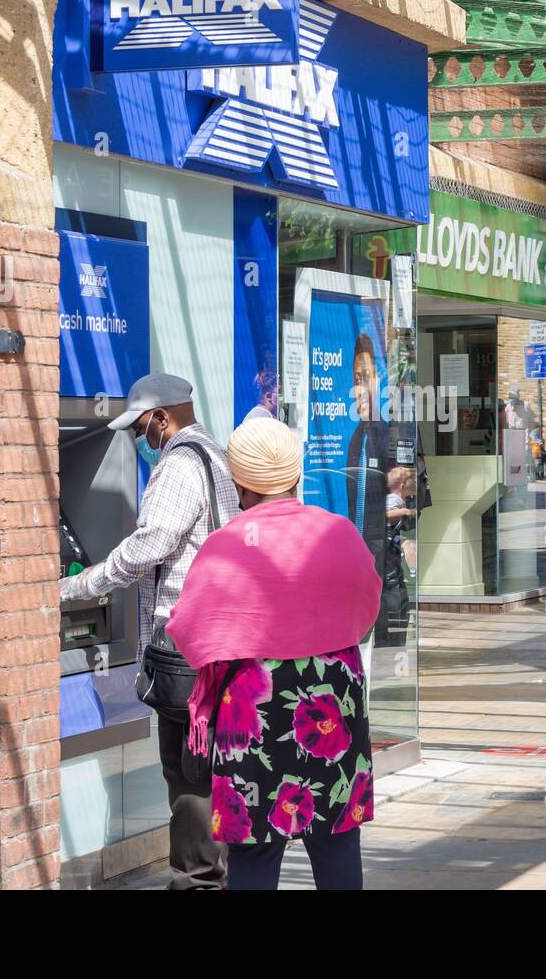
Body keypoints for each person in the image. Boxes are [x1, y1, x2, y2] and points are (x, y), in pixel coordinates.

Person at [165, 418, 382, 891]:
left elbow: (188, 628)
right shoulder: (338, 533)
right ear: (295, 473)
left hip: (254, 707)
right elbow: (368, 607)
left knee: (256, 847)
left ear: (239, 481)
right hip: (335, 700)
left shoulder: (225, 546)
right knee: (337, 838)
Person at [60, 372, 239, 890]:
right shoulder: (216, 456)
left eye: (142, 429)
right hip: (214, 640)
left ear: (163, 417)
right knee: (205, 765)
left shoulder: (179, 462)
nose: (142, 440)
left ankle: (197, 880)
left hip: (184, 648)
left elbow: (150, 544)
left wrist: (78, 587)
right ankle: (213, 874)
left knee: (186, 772)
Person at [345, 332, 391, 643]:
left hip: (379, 538)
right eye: (356, 380)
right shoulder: (355, 438)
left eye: (366, 378)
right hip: (357, 541)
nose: (360, 388)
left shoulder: (385, 435)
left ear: (377, 380)